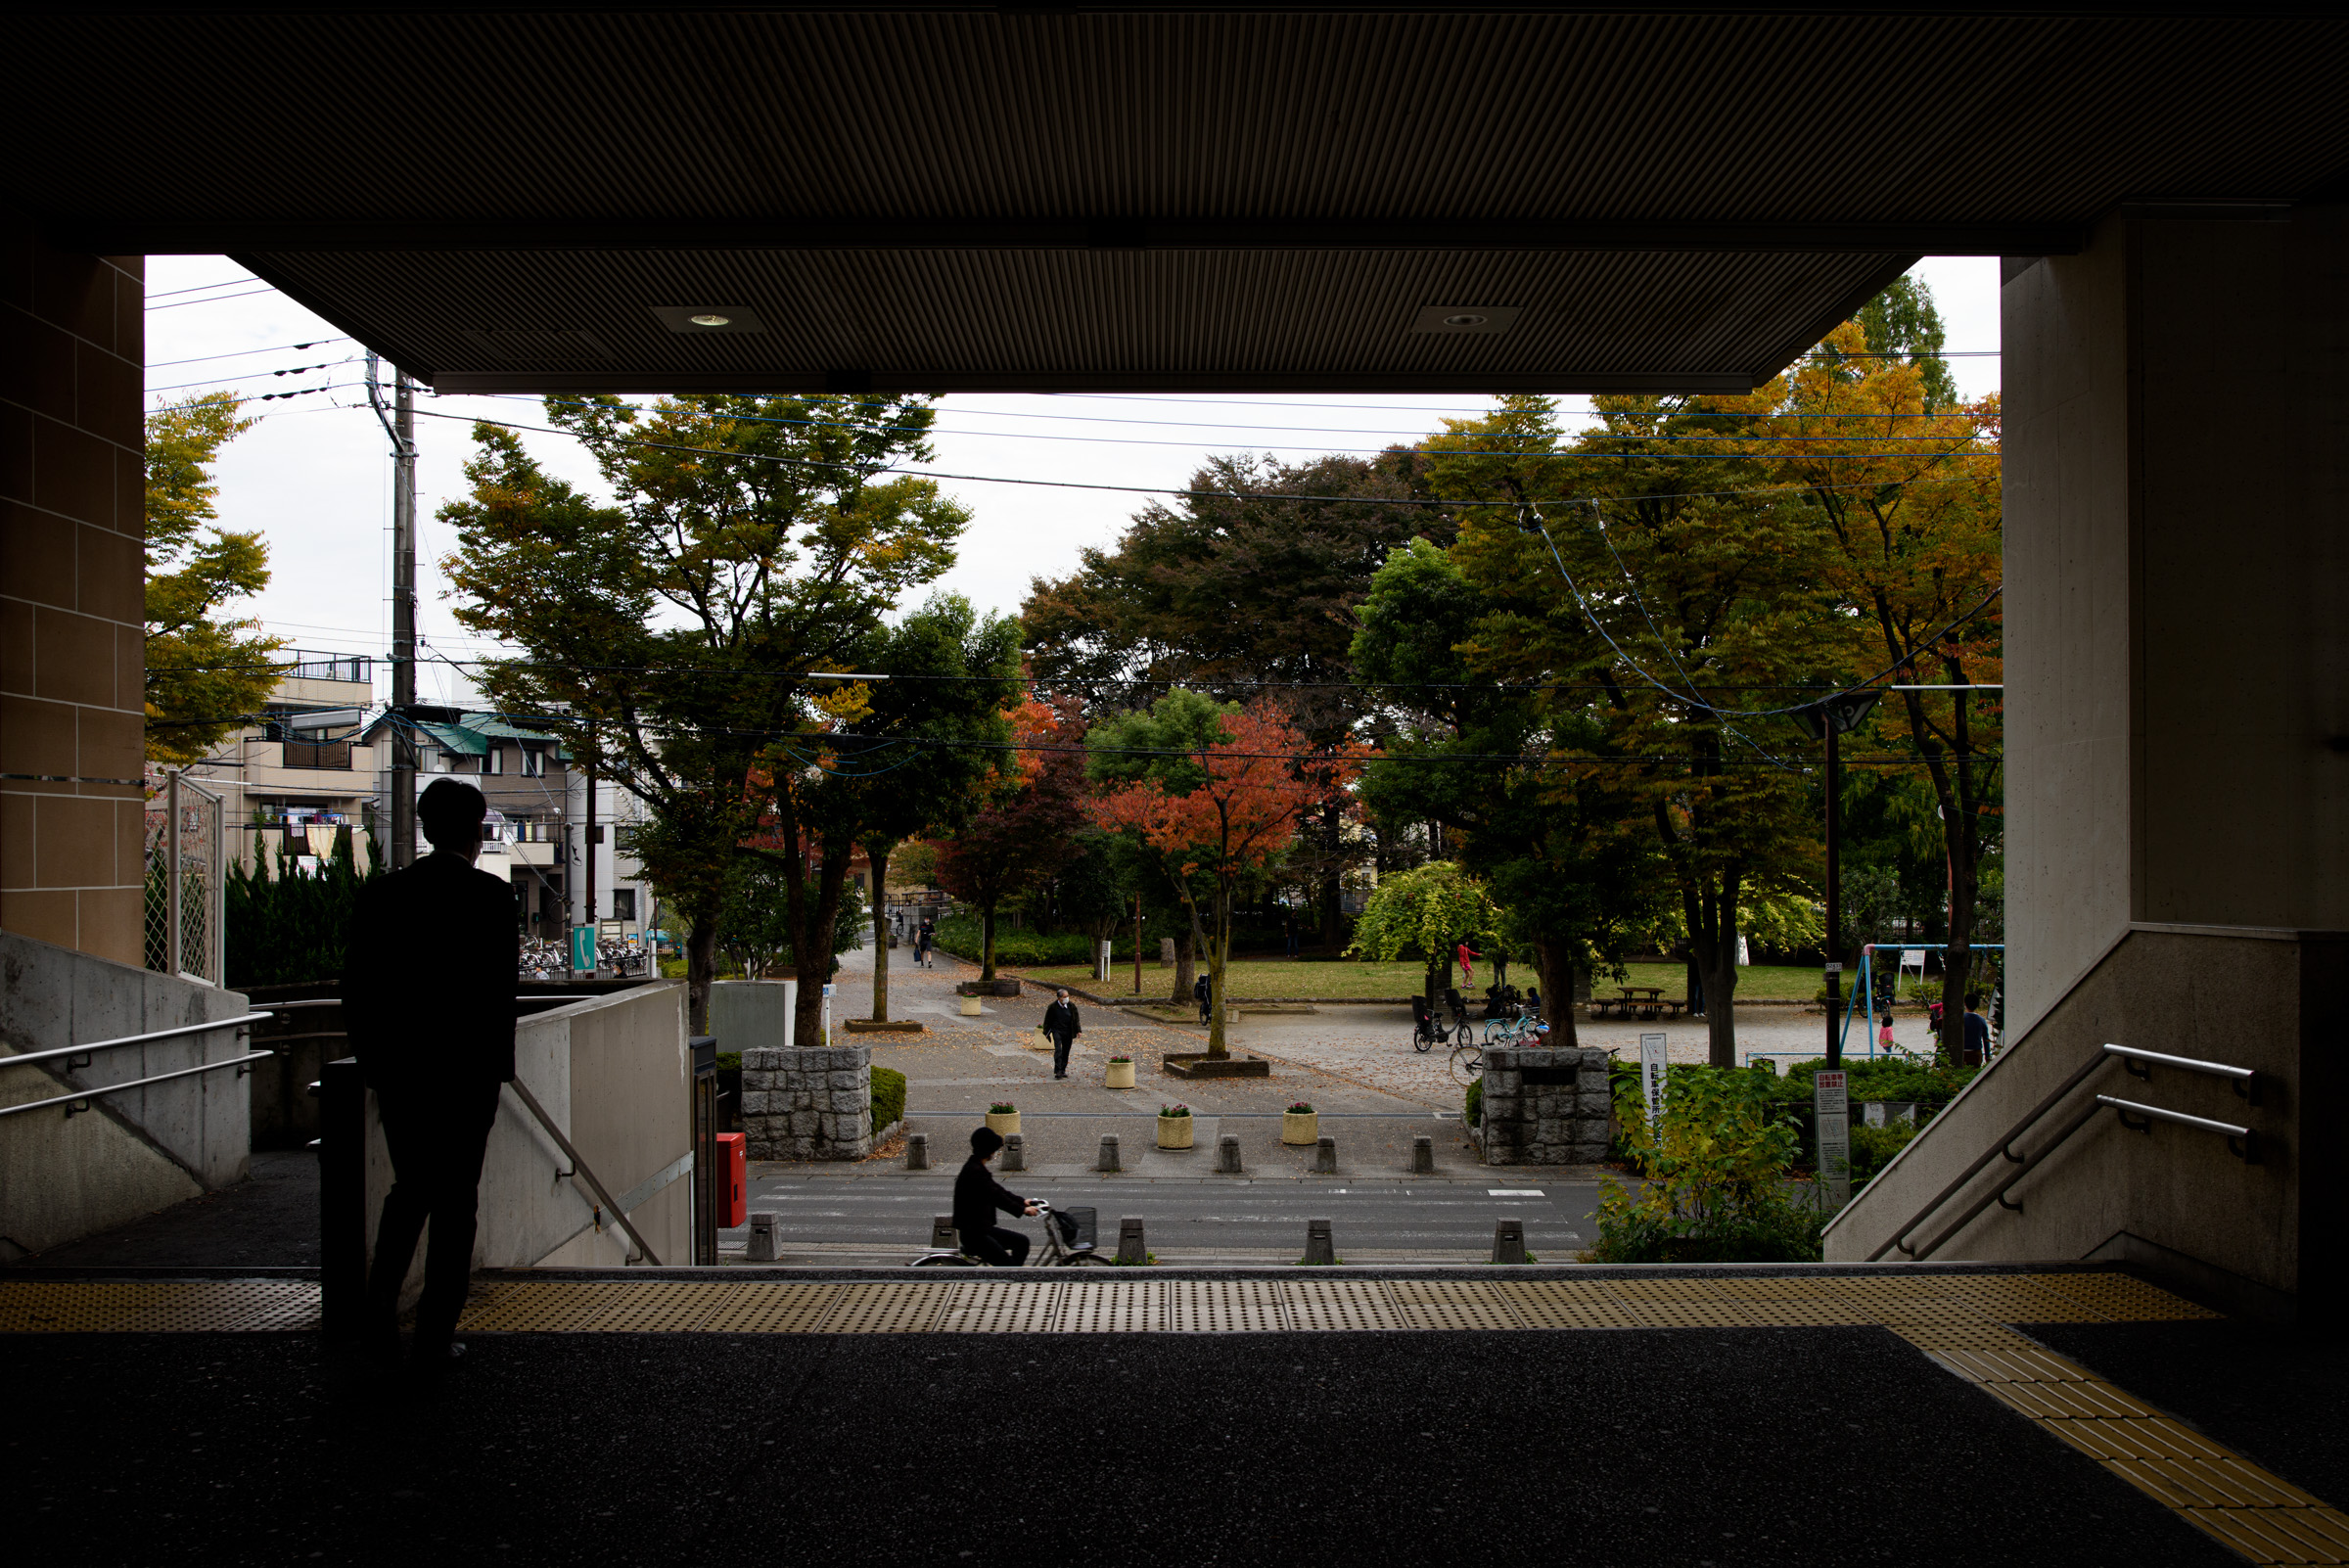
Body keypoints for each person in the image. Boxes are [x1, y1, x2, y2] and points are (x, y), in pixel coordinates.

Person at [342, 778, 518, 1371]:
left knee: (409, 1190)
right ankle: (436, 1336)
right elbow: (499, 995)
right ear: (476, 831)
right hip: (468, 1075)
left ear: (424, 826)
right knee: (455, 1202)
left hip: (403, 1073)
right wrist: (499, 1068)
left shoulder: (384, 897)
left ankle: (377, 1316)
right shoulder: (492, 899)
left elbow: (357, 989)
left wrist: (374, 1062)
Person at [953, 1127, 1036, 1266]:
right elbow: (997, 1196)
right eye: (994, 1149)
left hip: (981, 1229)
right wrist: (1022, 1209)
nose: (995, 1152)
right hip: (975, 1234)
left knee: (1022, 1242)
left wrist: (1023, 1202)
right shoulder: (975, 1172)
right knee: (1007, 1266)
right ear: (988, 1150)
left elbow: (998, 1190)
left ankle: (1012, 1278)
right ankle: (1010, 1279)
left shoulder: (976, 1166)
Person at [1040, 988, 1082, 1079]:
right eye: (1064, 997)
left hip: (1068, 1031)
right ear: (1059, 998)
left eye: (1067, 996)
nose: (1066, 998)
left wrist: (1078, 1030)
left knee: (1066, 1051)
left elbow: (1076, 1019)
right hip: (1057, 1030)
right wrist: (1046, 1032)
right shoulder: (1053, 1007)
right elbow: (1047, 1020)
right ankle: (1058, 1070)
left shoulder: (1071, 1006)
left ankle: (1063, 1070)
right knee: (1058, 1050)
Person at [1964, 996, 1993, 1064]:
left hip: (1962, 1053)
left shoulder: (1960, 1019)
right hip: (1976, 1053)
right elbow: (1986, 1040)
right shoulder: (1981, 1020)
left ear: (1965, 1004)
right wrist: (1987, 1057)